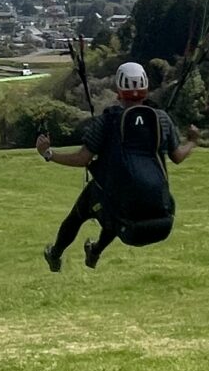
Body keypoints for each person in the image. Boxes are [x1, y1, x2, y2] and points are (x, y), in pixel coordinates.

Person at [39, 61, 199, 271]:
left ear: (118, 92)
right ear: (146, 88)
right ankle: (95, 251)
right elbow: (177, 156)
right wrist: (192, 141)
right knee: (113, 206)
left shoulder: (107, 121)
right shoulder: (161, 118)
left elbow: (82, 159)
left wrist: (48, 154)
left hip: (122, 209)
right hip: (161, 213)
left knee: (81, 213)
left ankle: (55, 255)